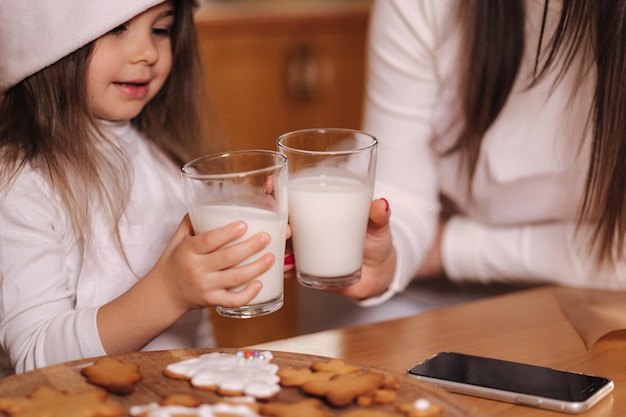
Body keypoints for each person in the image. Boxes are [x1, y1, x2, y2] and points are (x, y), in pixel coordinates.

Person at [0, 0, 276, 376]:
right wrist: (169, 291)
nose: (148, 53)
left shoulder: (167, 163)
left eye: (160, 30)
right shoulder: (20, 180)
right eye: (117, 29)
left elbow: (195, 332)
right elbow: (34, 358)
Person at [336, 0, 626, 305]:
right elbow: (398, 198)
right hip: (424, 286)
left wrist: (450, 247)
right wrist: (387, 256)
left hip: (599, 296)